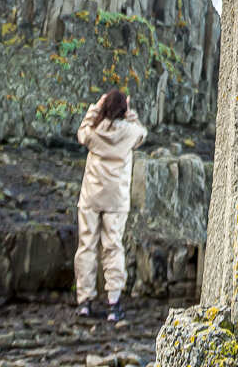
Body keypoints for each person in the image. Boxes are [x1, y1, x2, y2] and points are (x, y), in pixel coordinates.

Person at [74, 88, 147, 321]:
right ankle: (113, 302)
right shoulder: (130, 132)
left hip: (91, 197)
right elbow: (142, 132)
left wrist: (96, 107)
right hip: (116, 199)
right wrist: (130, 112)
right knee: (113, 247)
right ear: (123, 110)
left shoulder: (94, 131)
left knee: (87, 247)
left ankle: (85, 301)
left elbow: (81, 133)